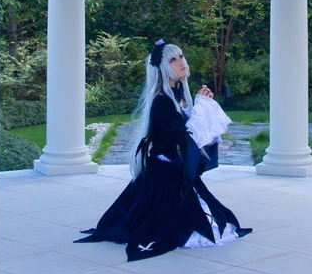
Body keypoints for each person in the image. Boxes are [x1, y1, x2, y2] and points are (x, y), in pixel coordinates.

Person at [76, 39, 251, 261]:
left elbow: (192, 138)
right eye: (173, 59)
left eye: (181, 57)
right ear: (164, 68)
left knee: (219, 220)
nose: (181, 63)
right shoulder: (161, 101)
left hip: (175, 171)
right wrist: (202, 110)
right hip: (164, 174)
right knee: (184, 226)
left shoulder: (179, 97)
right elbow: (182, 137)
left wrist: (200, 106)